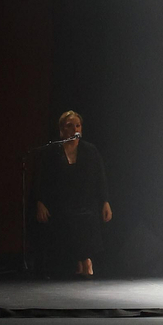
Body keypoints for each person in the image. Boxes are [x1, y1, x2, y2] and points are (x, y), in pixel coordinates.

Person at [33, 110, 112, 277]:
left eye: (78, 125)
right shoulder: (52, 152)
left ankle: (86, 260)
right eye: (69, 126)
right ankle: (76, 262)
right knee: (64, 220)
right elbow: (42, 179)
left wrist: (105, 201)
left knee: (85, 219)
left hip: (86, 202)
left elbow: (101, 178)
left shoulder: (90, 150)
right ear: (62, 130)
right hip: (61, 202)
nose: (74, 129)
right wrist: (40, 202)